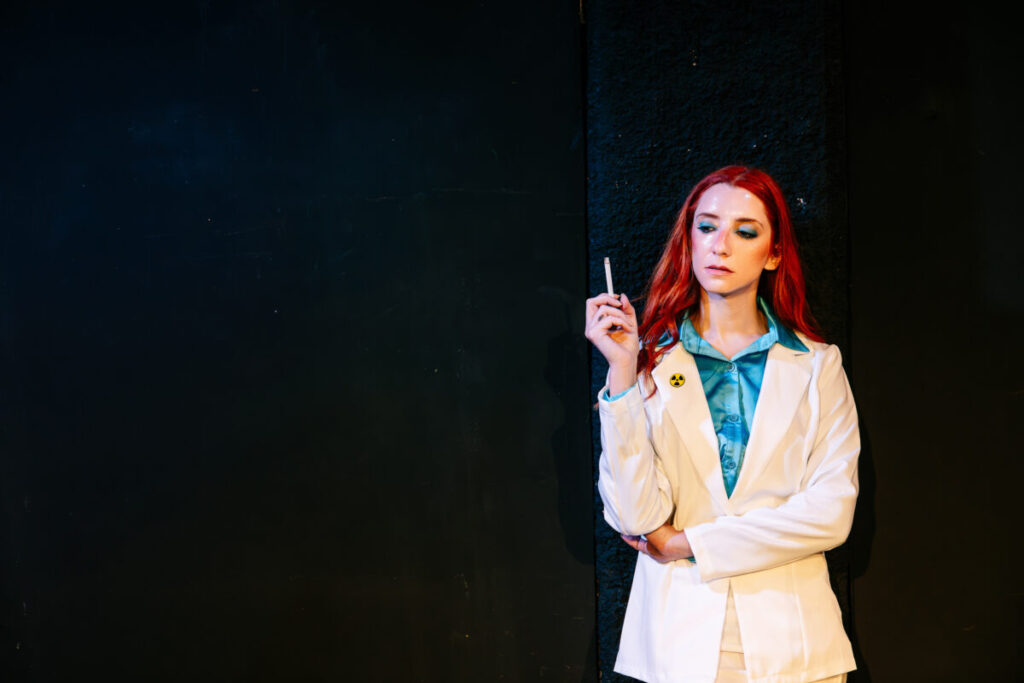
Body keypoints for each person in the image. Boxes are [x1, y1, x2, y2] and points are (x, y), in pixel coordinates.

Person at [585, 165, 859, 683]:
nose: (721, 246)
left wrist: (688, 543)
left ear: (773, 252)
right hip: (676, 645)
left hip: (796, 648)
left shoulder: (818, 366)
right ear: (688, 240)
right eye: (707, 227)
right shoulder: (647, 363)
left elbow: (830, 514)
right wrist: (621, 373)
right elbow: (636, 516)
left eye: (745, 231)